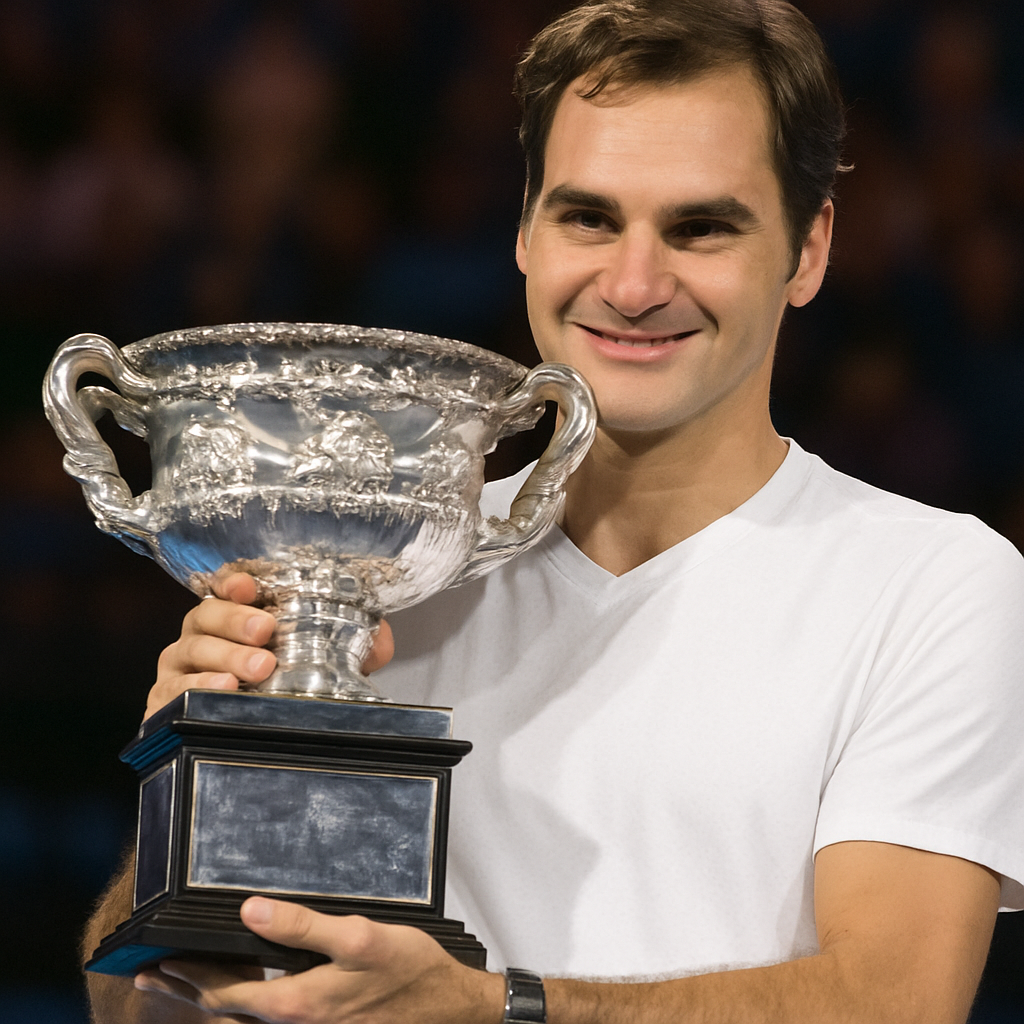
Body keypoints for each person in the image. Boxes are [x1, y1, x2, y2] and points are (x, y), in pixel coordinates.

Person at [83, 1, 1024, 1022]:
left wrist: (494, 1008)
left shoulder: (932, 583)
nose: (634, 284)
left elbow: (893, 998)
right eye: (590, 218)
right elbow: (139, 1012)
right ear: (526, 231)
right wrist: (196, 785)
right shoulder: (377, 563)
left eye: (701, 228)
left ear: (808, 250)